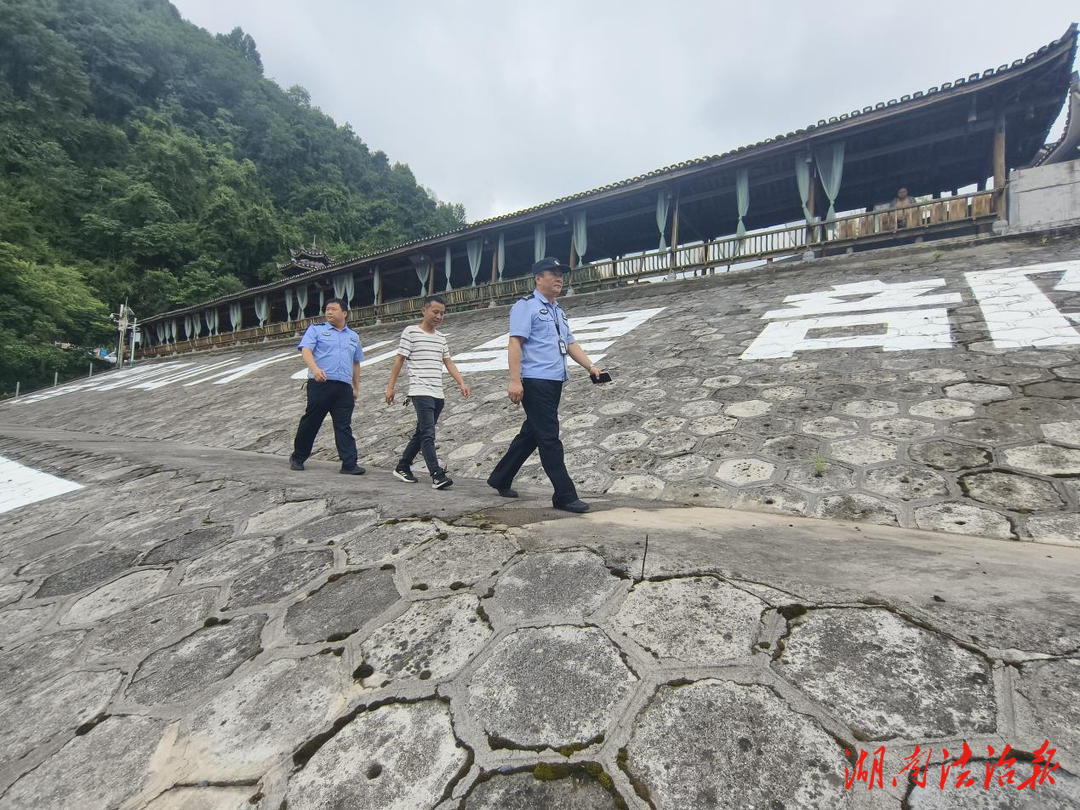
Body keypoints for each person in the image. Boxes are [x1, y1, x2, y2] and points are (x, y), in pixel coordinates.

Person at [486, 257, 605, 513]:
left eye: (561, 274)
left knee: (532, 434)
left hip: (554, 381)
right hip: (534, 381)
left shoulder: (558, 310)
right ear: (538, 278)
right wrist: (515, 380)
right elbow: (515, 343)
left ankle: (500, 477)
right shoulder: (525, 307)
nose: (559, 278)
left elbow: (570, 343)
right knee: (549, 437)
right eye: (553, 273)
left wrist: (591, 366)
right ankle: (564, 494)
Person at [385, 295, 470, 489]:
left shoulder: (441, 338)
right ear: (424, 311)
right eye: (435, 312)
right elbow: (399, 360)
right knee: (428, 434)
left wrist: (461, 383)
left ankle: (403, 466)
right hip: (419, 390)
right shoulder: (411, 332)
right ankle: (437, 474)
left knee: (421, 433)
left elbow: (448, 362)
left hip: (437, 393)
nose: (439, 316)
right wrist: (391, 387)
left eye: (442, 313)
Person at [289, 297, 366, 475]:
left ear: (344, 313)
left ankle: (349, 464)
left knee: (343, 425)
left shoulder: (353, 336)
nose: (329, 312)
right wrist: (314, 369)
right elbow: (306, 350)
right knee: (312, 421)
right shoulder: (316, 330)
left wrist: (356, 387)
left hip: (344, 388)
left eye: (333, 309)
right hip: (321, 384)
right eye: (327, 309)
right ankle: (298, 457)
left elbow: (356, 363)